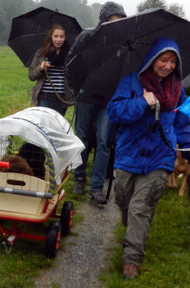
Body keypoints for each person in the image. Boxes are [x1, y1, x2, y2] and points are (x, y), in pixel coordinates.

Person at [107, 37, 190, 279]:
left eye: (172, 62)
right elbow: (114, 112)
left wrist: (189, 144)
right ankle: (133, 236)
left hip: (160, 155)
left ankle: (132, 260)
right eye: (163, 60)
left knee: (141, 207)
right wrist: (141, 102)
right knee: (124, 201)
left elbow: (182, 122)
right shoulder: (131, 81)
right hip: (129, 153)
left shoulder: (176, 90)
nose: (168, 66)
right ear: (152, 59)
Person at [66, 2, 126, 201]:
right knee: (81, 139)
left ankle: (97, 186)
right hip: (85, 97)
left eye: (120, 20)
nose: (116, 23)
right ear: (104, 19)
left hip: (108, 101)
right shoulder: (87, 36)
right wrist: (76, 88)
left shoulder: (123, 43)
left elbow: (125, 71)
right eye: (112, 19)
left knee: (104, 141)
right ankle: (79, 177)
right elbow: (71, 62)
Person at [28, 24, 74, 115]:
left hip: (62, 98)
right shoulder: (41, 53)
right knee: (43, 125)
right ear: (51, 37)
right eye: (55, 36)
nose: (58, 40)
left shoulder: (70, 54)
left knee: (57, 126)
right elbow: (31, 75)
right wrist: (40, 68)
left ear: (65, 37)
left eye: (61, 36)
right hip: (44, 97)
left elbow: (75, 76)